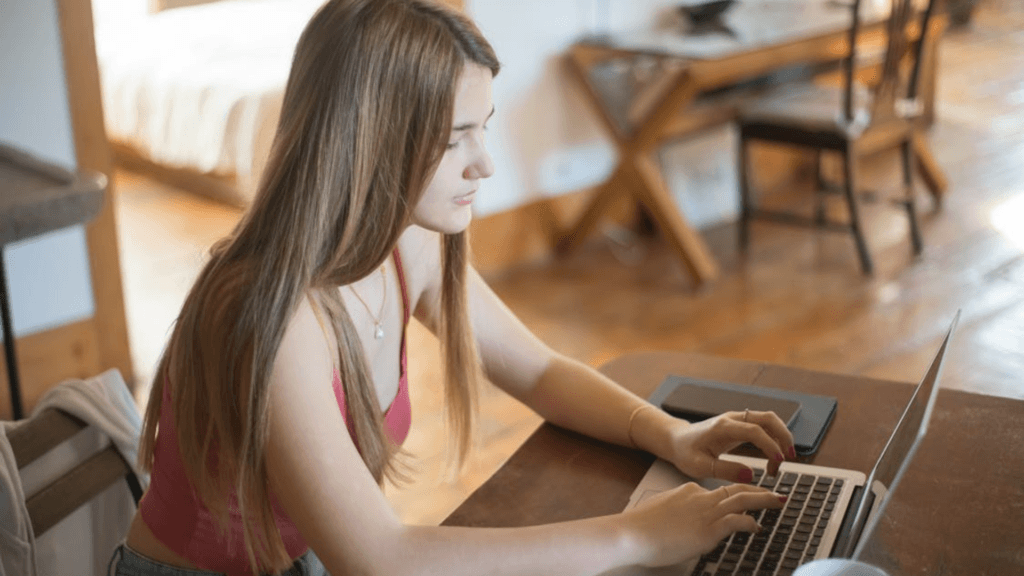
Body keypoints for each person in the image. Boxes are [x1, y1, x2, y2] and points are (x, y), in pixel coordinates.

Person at [111, 0, 795, 574]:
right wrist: (636, 535)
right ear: (370, 138)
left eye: (485, 129)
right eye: (456, 137)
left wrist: (670, 434)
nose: (486, 164)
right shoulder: (272, 317)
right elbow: (381, 557)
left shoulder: (406, 242)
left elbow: (541, 372)